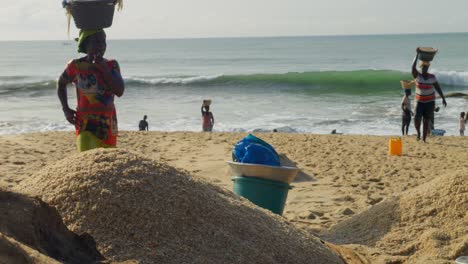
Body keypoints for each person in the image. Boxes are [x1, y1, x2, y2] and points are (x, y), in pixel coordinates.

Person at [57, 30, 125, 152]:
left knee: (106, 163)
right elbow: (61, 84)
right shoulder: (76, 65)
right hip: (84, 123)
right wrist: (66, 109)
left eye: (103, 42)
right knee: (87, 160)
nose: (101, 46)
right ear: (86, 44)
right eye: (96, 42)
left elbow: (119, 91)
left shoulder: (111, 65)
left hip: (108, 123)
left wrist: (105, 70)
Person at [411, 49, 447, 142]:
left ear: (428, 68)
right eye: (423, 67)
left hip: (430, 102)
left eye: (426, 68)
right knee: (416, 118)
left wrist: (443, 98)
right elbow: (412, 67)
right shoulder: (417, 75)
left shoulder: (432, 77)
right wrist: (417, 54)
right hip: (419, 101)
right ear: (421, 67)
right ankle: (418, 132)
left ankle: (424, 138)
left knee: (426, 120)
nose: (424, 69)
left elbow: (438, 88)